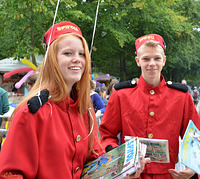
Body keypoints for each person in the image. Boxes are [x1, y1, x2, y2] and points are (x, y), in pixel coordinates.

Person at [0, 21, 147, 179]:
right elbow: (11, 173)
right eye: (68, 53)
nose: (77, 59)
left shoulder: (84, 108)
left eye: (81, 54)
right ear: (52, 59)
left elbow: (95, 161)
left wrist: (123, 171)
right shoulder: (32, 111)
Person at [99, 34, 200, 178]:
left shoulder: (181, 96)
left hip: (168, 175)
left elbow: (195, 138)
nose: (152, 63)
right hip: (131, 175)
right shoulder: (121, 94)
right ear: (138, 61)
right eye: (146, 59)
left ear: (164, 60)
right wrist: (119, 160)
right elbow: (107, 135)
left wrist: (191, 168)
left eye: (157, 58)